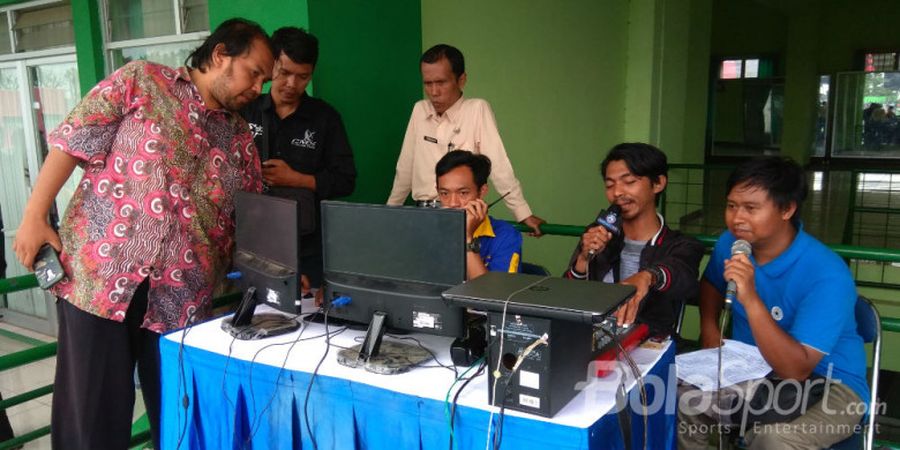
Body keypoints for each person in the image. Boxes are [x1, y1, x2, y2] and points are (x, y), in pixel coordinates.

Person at [12, 18, 273, 450]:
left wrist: (275, 272)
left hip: (182, 299)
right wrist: (35, 215)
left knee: (179, 421)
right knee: (90, 421)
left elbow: (251, 218)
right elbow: (73, 140)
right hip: (102, 280)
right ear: (222, 55)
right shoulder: (142, 81)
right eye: (255, 72)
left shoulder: (240, 137)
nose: (259, 88)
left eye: (265, 79)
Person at [679, 156, 868, 449]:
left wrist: (751, 298)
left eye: (751, 208)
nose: (736, 218)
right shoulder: (730, 243)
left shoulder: (826, 273)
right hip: (752, 369)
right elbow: (712, 284)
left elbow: (797, 369)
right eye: (732, 206)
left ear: (787, 209)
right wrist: (709, 328)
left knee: (774, 439)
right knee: (683, 402)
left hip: (834, 385)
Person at [387, 44, 545, 236]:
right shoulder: (419, 110)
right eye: (428, 83)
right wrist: (390, 211)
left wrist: (522, 212)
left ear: (461, 80)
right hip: (423, 216)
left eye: (441, 82)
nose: (434, 91)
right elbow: (405, 168)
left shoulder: (477, 109)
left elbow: (499, 166)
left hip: (463, 219)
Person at [241, 27, 356, 292]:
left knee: (309, 320)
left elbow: (346, 180)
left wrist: (299, 180)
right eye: (284, 73)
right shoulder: (246, 111)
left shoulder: (325, 118)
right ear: (271, 66)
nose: (292, 84)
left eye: (303, 77)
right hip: (254, 242)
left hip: (309, 248)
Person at [564, 143, 703, 335]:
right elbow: (567, 296)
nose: (617, 192)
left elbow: (682, 274)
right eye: (609, 185)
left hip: (648, 344)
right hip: (593, 340)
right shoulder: (598, 233)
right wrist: (583, 259)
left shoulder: (681, 245)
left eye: (629, 182)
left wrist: (648, 276)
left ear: (658, 183)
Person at [436, 150, 522, 280]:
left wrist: (467, 240)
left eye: (463, 193)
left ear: (482, 192)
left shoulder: (506, 235)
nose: (453, 203)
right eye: (445, 193)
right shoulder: (428, 230)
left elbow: (491, 297)